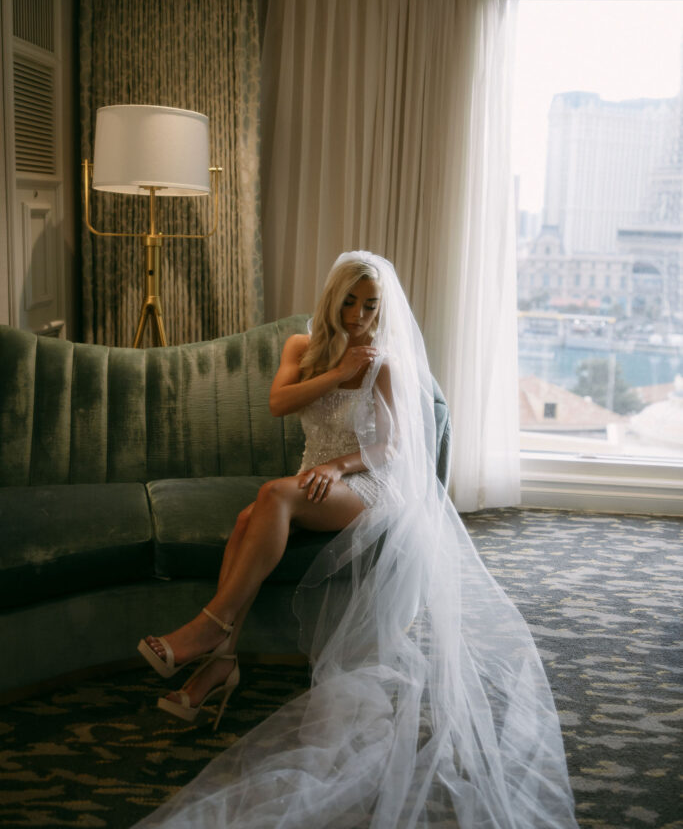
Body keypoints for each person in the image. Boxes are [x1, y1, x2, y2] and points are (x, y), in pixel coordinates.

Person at [135, 251, 579, 829]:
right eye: (350, 301)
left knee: (272, 497)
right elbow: (278, 403)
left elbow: (393, 449)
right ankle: (221, 662)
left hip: (367, 484)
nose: (359, 315)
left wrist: (340, 467)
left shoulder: (386, 363)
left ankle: (208, 632)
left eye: (371, 305)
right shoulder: (302, 348)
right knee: (249, 520)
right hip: (310, 477)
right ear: (333, 298)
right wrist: (340, 374)